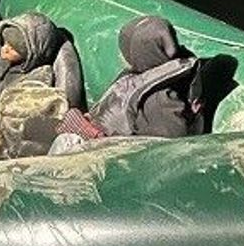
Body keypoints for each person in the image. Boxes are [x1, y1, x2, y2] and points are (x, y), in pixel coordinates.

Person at [51, 15, 205, 152]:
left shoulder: (161, 102)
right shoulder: (139, 76)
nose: (122, 55)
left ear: (142, 55)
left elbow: (167, 150)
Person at [0, 12, 87, 124]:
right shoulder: (2, 62)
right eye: (5, 43)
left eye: (12, 48)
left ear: (30, 53)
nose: (4, 49)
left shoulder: (39, 80)